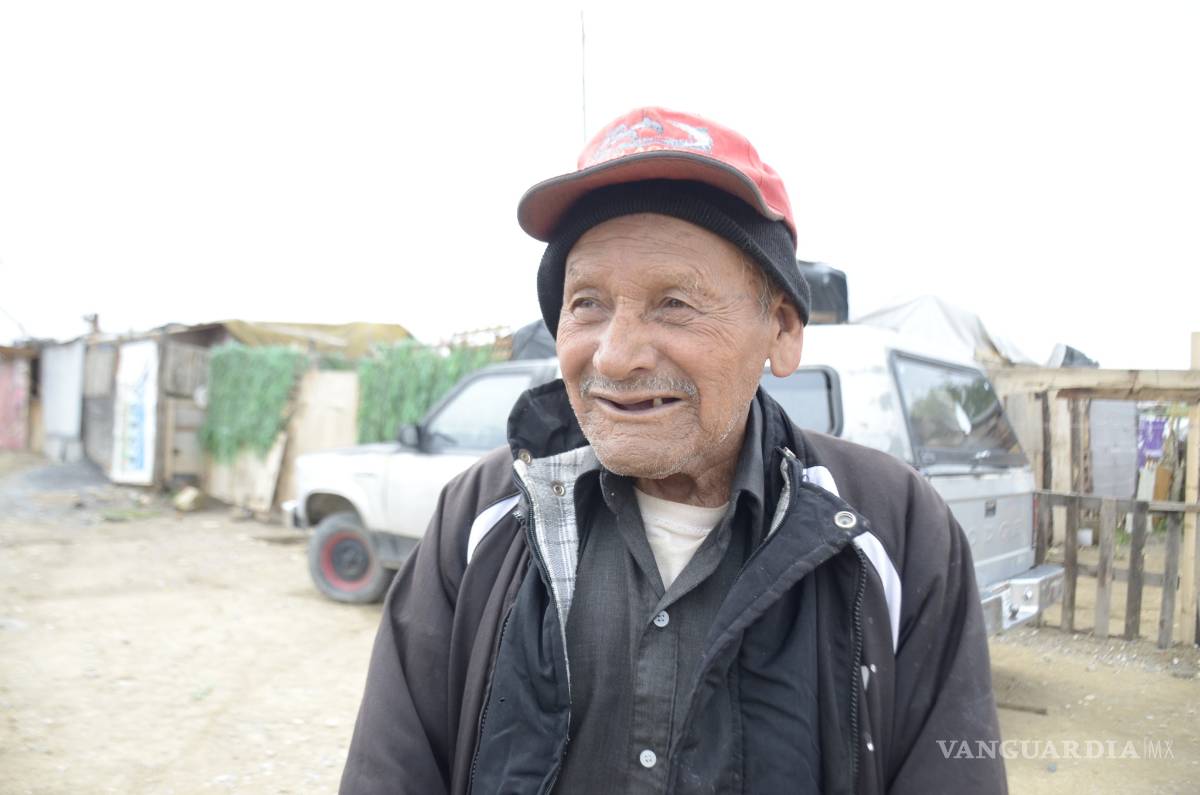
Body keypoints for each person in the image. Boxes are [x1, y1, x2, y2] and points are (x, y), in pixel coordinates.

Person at [340, 107, 1007, 794]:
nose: (617, 354)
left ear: (780, 329)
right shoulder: (483, 517)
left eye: (675, 304)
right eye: (588, 304)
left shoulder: (892, 530)